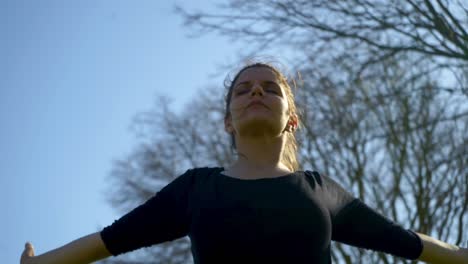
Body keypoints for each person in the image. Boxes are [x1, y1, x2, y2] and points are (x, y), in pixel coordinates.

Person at [21, 61, 467, 264]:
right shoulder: (195, 188)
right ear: (228, 121)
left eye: (270, 88)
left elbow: (408, 241)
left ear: (291, 119)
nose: (256, 91)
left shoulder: (319, 190)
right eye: (243, 89)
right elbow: (108, 240)